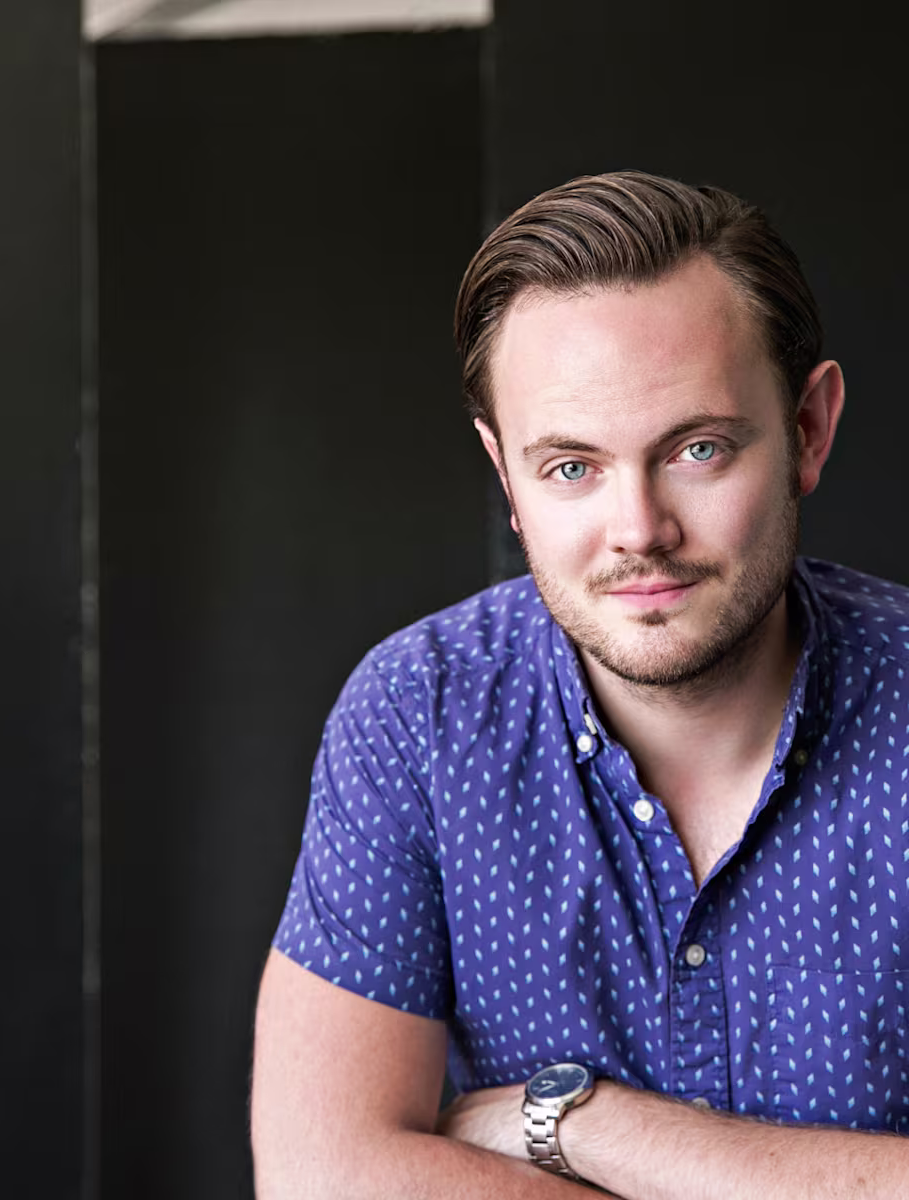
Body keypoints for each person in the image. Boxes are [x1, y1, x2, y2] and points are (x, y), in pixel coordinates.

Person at [249, 170, 909, 1198]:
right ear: (505, 475)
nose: (638, 529)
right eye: (571, 468)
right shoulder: (419, 719)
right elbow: (321, 1175)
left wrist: (575, 1122)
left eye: (697, 449)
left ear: (810, 430)